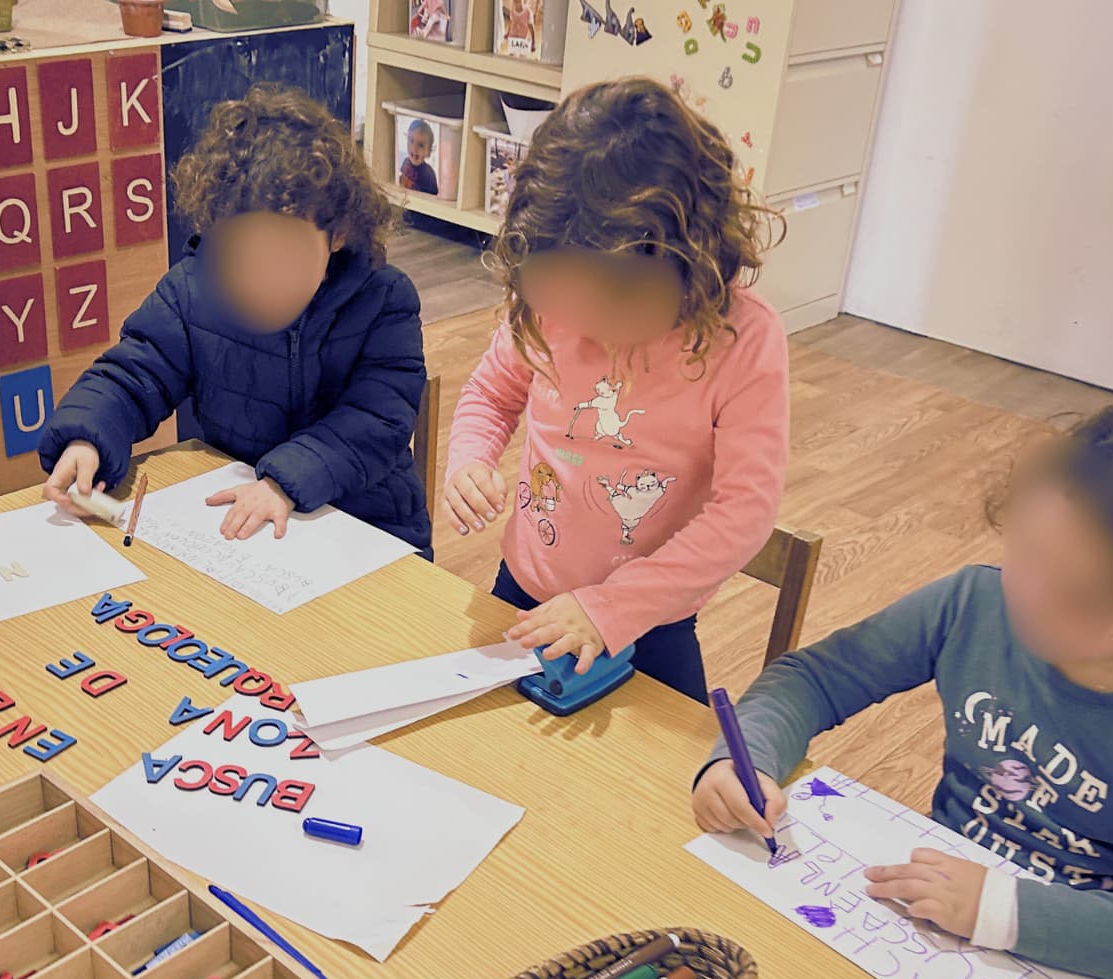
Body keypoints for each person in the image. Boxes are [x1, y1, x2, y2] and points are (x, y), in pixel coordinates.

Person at [692, 382, 1113, 979]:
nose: (1029, 596)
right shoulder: (974, 603)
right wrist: (745, 759)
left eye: (1080, 597)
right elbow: (813, 679)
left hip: (1091, 974)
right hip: (931, 928)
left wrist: (1004, 910)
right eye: (1027, 552)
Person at [443, 76, 789, 703]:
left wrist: (613, 606)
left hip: (650, 619)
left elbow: (745, 512)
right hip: (524, 587)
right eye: (562, 302)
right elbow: (492, 395)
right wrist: (470, 458)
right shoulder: (553, 299)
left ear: (692, 264)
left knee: (670, 761)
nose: (584, 329)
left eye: (611, 307)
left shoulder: (742, 339)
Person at [39, 86, 431, 555]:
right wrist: (87, 438)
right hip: (243, 534)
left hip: (369, 529)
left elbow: (376, 423)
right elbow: (131, 375)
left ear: (338, 234)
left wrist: (284, 481)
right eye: (238, 258)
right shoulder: (192, 292)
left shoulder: (384, 301)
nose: (259, 283)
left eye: (283, 258)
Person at [400, 119, 440, 196]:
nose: (414, 148)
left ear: (428, 152)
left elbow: (433, 197)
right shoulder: (406, 162)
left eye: (421, 145)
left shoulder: (428, 174)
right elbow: (402, 181)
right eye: (411, 141)